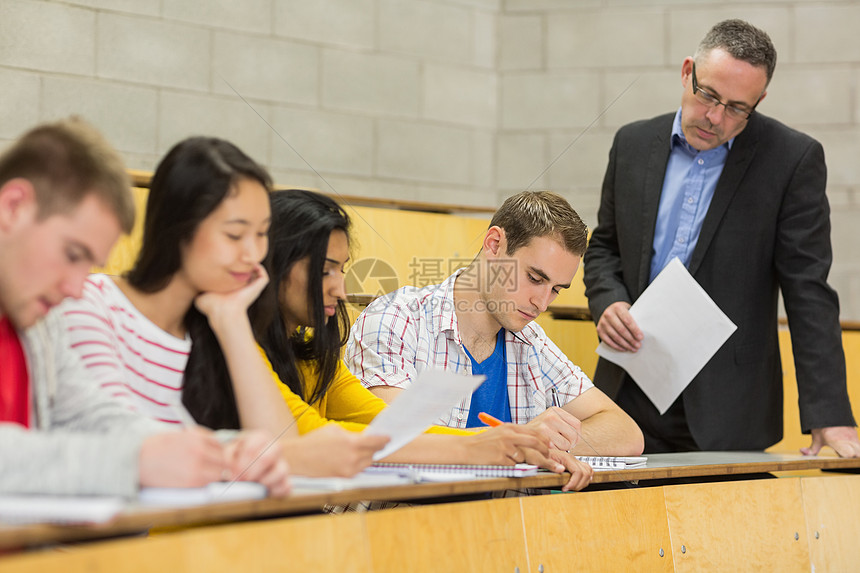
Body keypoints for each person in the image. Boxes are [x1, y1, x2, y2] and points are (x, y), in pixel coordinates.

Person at [582, 19, 860, 456]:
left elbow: (809, 291)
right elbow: (604, 246)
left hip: (729, 406)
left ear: (760, 101)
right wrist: (608, 301)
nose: (714, 117)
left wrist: (831, 414)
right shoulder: (632, 143)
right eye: (707, 95)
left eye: (736, 108)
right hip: (627, 389)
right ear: (687, 70)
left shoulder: (792, 160)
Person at [60, 136, 387, 478]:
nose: (253, 255)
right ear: (178, 231)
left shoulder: (218, 320)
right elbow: (123, 443)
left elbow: (280, 445)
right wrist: (261, 458)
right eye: (234, 235)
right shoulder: (91, 305)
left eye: (261, 235)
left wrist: (232, 323)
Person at [0, 118, 288, 497]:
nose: (75, 288)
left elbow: (96, 416)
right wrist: (135, 461)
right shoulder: (67, 309)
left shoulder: (38, 324)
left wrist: (223, 452)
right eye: (72, 254)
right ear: (12, 207)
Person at [253, 189, 592, 490]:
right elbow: (306, 439)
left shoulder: (312, 353)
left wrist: (514, 444)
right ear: (275, 263)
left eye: (341, 270)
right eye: (325, 270)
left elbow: (386, 430)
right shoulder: (244, 350)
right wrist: (497, 445)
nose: (340, 289)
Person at [346, 190, 644, 458]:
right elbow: (393, 437)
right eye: (534, 278)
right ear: (494, 244)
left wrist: (541, 444)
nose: (541, 303)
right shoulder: (394, 318)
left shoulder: (531, 340)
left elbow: (626, 433)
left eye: (555, 289)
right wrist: (520, 441)